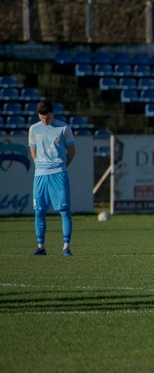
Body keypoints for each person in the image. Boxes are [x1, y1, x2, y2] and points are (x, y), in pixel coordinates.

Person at [28, 100, 76, 256]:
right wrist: (40, 165)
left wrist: (61, 167)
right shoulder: (34, 129)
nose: (44, 121)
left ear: (52, 113)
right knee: (39, 211)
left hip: (58, 173)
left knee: (64, 210)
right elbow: (33, 151)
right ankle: (41, 247)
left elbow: (72, 151)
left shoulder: (63, 128)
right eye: (41, 118)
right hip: (40, 175)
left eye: (47, 117)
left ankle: (66, 247)